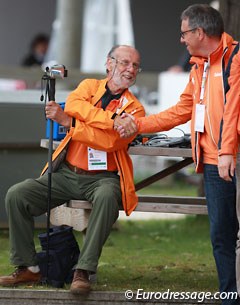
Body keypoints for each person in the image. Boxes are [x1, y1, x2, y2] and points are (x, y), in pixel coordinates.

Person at [117, 4, 240, 304]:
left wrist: (227, 152)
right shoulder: (198, 65)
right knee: (221, 236)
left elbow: (234, 108)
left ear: (199, 32)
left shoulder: (235, 57)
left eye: (184, 33)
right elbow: (182, 110)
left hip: (231, 158)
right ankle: (229, 297)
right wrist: (139, 125)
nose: (181, 39)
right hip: (213, 163)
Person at [0, 45, 145, 294]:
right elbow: (74, 106)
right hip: (67, 173)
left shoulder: (135, 109)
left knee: (108, 196)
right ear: (109, 64)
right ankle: (28, 268)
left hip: (102, 178)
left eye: (135, 66)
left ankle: (83, 271)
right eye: (124, 63)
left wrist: (71, 124)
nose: (130, 69)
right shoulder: (89, 86)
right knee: (17, 195)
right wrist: (108, 121)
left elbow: (110, 142)